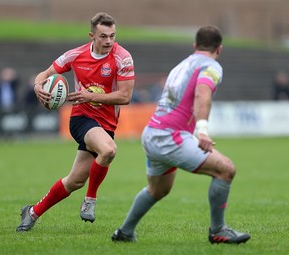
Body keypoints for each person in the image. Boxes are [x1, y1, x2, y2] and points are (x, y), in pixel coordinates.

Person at [111, 25, 250, 244]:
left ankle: (124, 233)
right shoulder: (211, 65)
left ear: (195, 46)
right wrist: (202, 130)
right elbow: (202, 94)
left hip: (152, 133)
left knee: (157, 190)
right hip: (170, 137)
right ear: (219, 49)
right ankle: (218, 230)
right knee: (226, 170)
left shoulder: (181, 65)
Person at [16, 12, 135, 232]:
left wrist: (91, 96)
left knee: (75, 181)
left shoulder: (123, 58)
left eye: (112, 36)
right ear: (92, 35)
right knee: (108, 151)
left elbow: (125, 97)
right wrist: (37, 86)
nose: (109, 41)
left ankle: (32, 212)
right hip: (82, 118)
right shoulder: (75, 55)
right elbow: (45, 73)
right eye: (103, 36)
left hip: (106, 125)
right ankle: (90, 200)